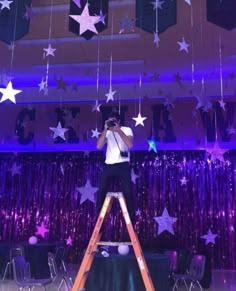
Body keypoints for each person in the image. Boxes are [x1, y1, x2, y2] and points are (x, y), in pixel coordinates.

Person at [96, 111, 135, 225]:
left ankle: (131, 221)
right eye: (109, 121)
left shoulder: (126, 129)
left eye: (113, 121)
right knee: (101, 191)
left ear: (118, 121)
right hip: (109, 165)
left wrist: (118, 130)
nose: (112, 123)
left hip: (123, 165)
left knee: (127, 192)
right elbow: (98, 146)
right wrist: (104, 130)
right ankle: (99, 221)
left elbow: (130, 144)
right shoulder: (107, 132)